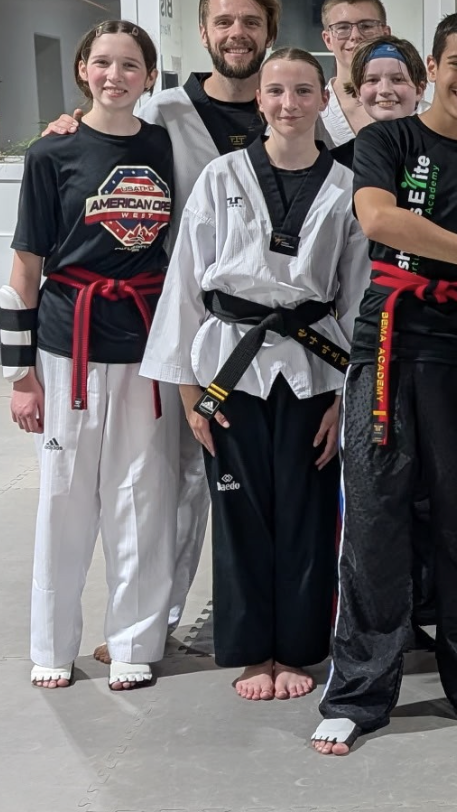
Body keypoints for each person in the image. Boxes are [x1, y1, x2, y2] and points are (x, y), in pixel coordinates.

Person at [310, 12, 457, 755]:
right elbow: (381, 221)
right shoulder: (388, 141)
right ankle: (357, 692)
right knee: (376, 518)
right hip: (388, 341)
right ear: (432, 71)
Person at [46, 0, 284, 661]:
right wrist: (67, 123)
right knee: (173, 477)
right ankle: (156, 621)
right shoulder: (168, 113)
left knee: (271, 476)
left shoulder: (294, 106)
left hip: (275, 324)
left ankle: (279, 615)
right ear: (204, 34)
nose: (236, 32)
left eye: (249, 21)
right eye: (223, 21)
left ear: (267, 32)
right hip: (182, 313)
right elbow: (104, 134)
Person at [142, 49, 367, 701]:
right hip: (228, 369)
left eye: (303, 91)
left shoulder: (348, 186)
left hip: (314, 367)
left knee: (307, 512)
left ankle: (297, 650)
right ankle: (249, 650)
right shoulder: (220, 176)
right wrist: (191, 396)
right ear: (259, 100)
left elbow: (355, 297)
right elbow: (186, 281)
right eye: (276, 91)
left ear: (324, 97)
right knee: (238, 511)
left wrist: (342, 398)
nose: (289, 104)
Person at [5, 20, 177, 691]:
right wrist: (20, 376)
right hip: (65, 339)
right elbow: (23, 267)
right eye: (102, 63)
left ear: (148, 77)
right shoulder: (51, 155)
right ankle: (52, 642)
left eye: (130, 65)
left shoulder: (165, 146)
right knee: (66, 495)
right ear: (83, 70)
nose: (115, 76)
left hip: (144, 339)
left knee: (141, 492)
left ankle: (133, 640)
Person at [330, 36, 430, 167]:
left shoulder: (444, 152)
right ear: (358, 91)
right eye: (372, 80)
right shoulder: (337, 163)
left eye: (397, 79)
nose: (384, 90)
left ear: (419, 90)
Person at [317, 0, 391, 149]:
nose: (355, 35)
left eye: (366, 26)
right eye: (342, 27)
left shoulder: (418, 112)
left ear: (386, 34)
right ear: (328, 39)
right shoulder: (312, 111)